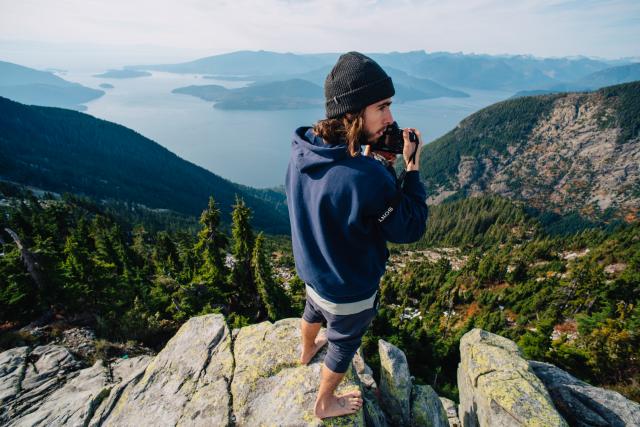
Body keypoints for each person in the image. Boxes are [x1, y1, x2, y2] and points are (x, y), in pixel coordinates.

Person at [285, 51, 428, 419]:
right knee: (343, 343)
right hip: (349, 292)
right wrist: (410, 170)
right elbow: (409, 227)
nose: (390, 118)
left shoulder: (303, 149)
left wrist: (369, 158)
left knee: (313, 309)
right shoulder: (368, 177)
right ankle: (323, 401)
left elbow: (339, 186)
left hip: (313, 274)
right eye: (381, 107)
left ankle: (304, 350)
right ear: (351, 114)